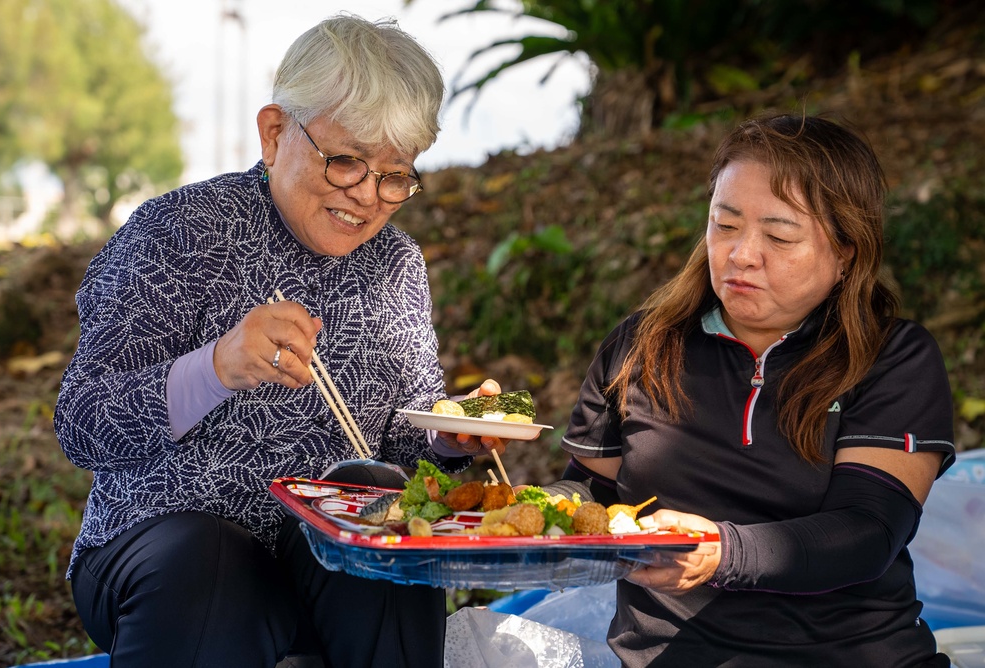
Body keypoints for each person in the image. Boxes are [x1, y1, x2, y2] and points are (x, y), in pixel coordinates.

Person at [54, 14, 504, 668]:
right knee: (212, 561)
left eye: (396, 175)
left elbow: (404, 441)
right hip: (163, 558)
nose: (368, 198)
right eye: (348, 161)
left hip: (325, 571)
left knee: (378, 524)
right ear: (274, 133)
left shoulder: (397, 265)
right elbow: (82, 423)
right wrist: (215, 369)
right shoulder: (179, 232)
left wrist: (450, 432)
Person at [548, 112, 956, 666]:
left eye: (779, 235)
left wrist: (721, 552)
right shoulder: (642, 345)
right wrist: (535, 510)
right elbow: (593, 494)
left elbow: (868, 530)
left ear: (846, 253)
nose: (742, 254)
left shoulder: (891, 358)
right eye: (726, 224)